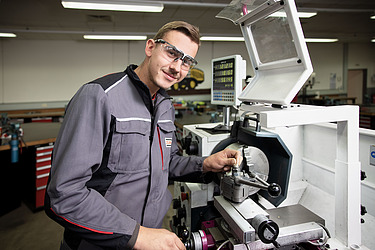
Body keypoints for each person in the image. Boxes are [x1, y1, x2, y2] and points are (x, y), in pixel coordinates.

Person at [45, 21, 241, 250]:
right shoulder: (99, 96)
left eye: (186, 61)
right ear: (150, 47)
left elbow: (166, 163)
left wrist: (206, 164)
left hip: (149, 239)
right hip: (100, 243)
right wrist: (137, 236)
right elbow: (64, 194)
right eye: (171, 53)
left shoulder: (165, 105)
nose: (177, 68)